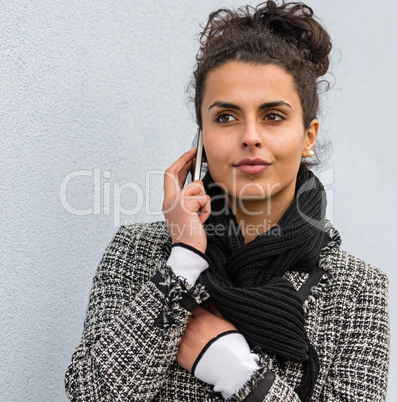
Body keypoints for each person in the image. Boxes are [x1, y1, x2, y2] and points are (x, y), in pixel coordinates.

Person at [65, 1, 390, 401]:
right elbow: (89, 393)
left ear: (308, 136)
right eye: (226, 117)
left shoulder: (357, 289)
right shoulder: (138, 252)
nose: (250, 136)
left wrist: (235, 370)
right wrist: (183, 260)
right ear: (201, 137)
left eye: (273, 116)